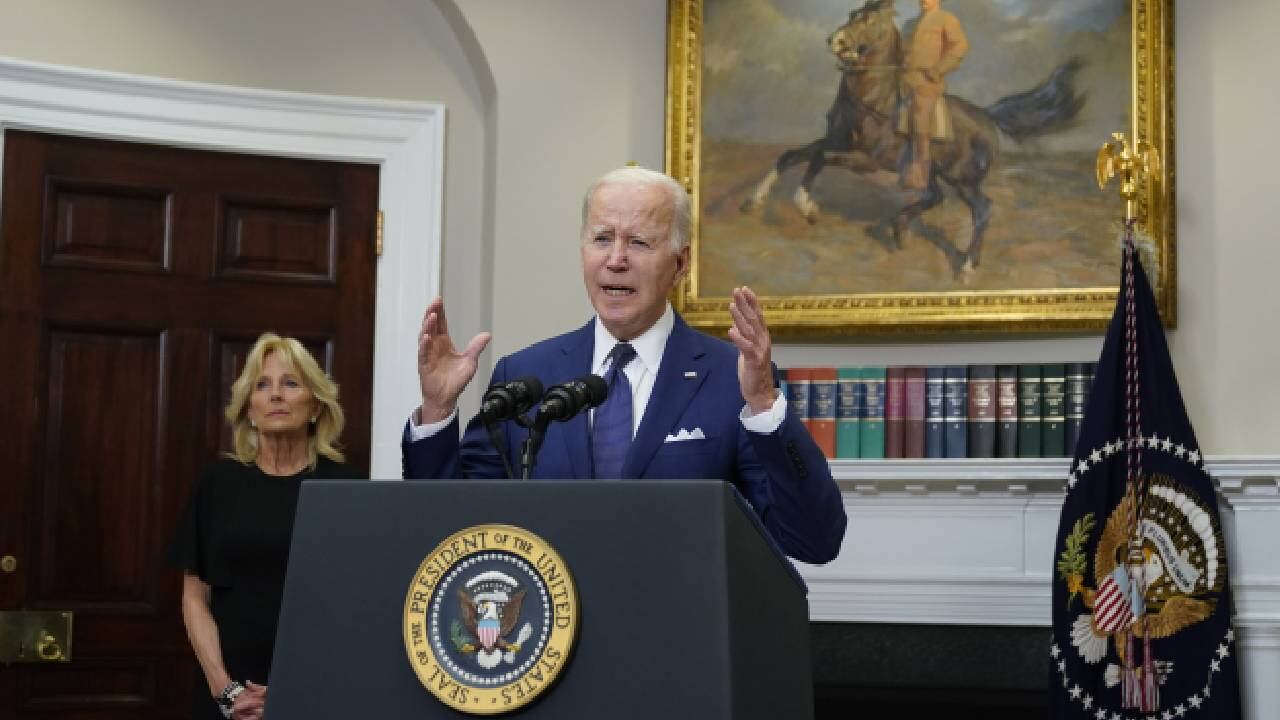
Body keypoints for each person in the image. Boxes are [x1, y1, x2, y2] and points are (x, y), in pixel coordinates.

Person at [402, 167, 846, 565]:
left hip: (679, 644)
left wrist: (765, 404)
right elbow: (449, 530)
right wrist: (437, 411)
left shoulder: (733, 379)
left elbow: (813, 541)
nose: (616, 259)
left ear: (680, 264)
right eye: (601, 239)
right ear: (582, 253)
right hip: (548, 644)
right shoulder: (524, 375)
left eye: (638, 242)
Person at [169, 333, 357, 720]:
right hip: (228, 699)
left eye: (290, 383)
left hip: (318, 695)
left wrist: (299, 687)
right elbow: (194, 598)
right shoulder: (218, 484)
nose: (275, 395)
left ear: (316, 406)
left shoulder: (346, 488)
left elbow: (355, 608)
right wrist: (226, 690)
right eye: (262, 385)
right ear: (249, 408)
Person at [900, 0, 969, 190]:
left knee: (920, 114)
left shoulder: (946, 19)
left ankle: (920, 172)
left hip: (927, 81)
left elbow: (959, 47)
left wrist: (939, 69)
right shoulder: (909, 24)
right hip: (904, 79)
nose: (923, 0)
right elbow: (899, 52)